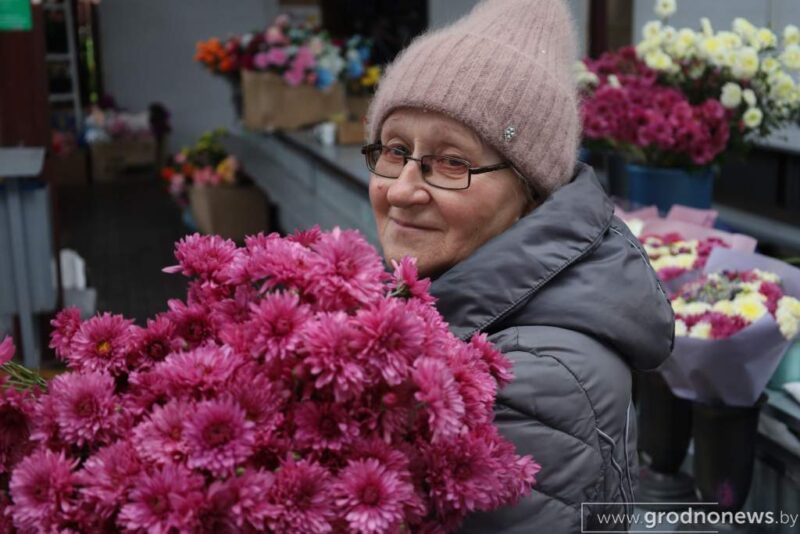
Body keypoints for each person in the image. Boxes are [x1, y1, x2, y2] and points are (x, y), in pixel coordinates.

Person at [363, 0, 675, 531]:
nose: (402, 189)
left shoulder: (533, 377)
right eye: (395, 149)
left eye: (452, 162)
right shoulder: (442, 288)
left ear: (531, 194)